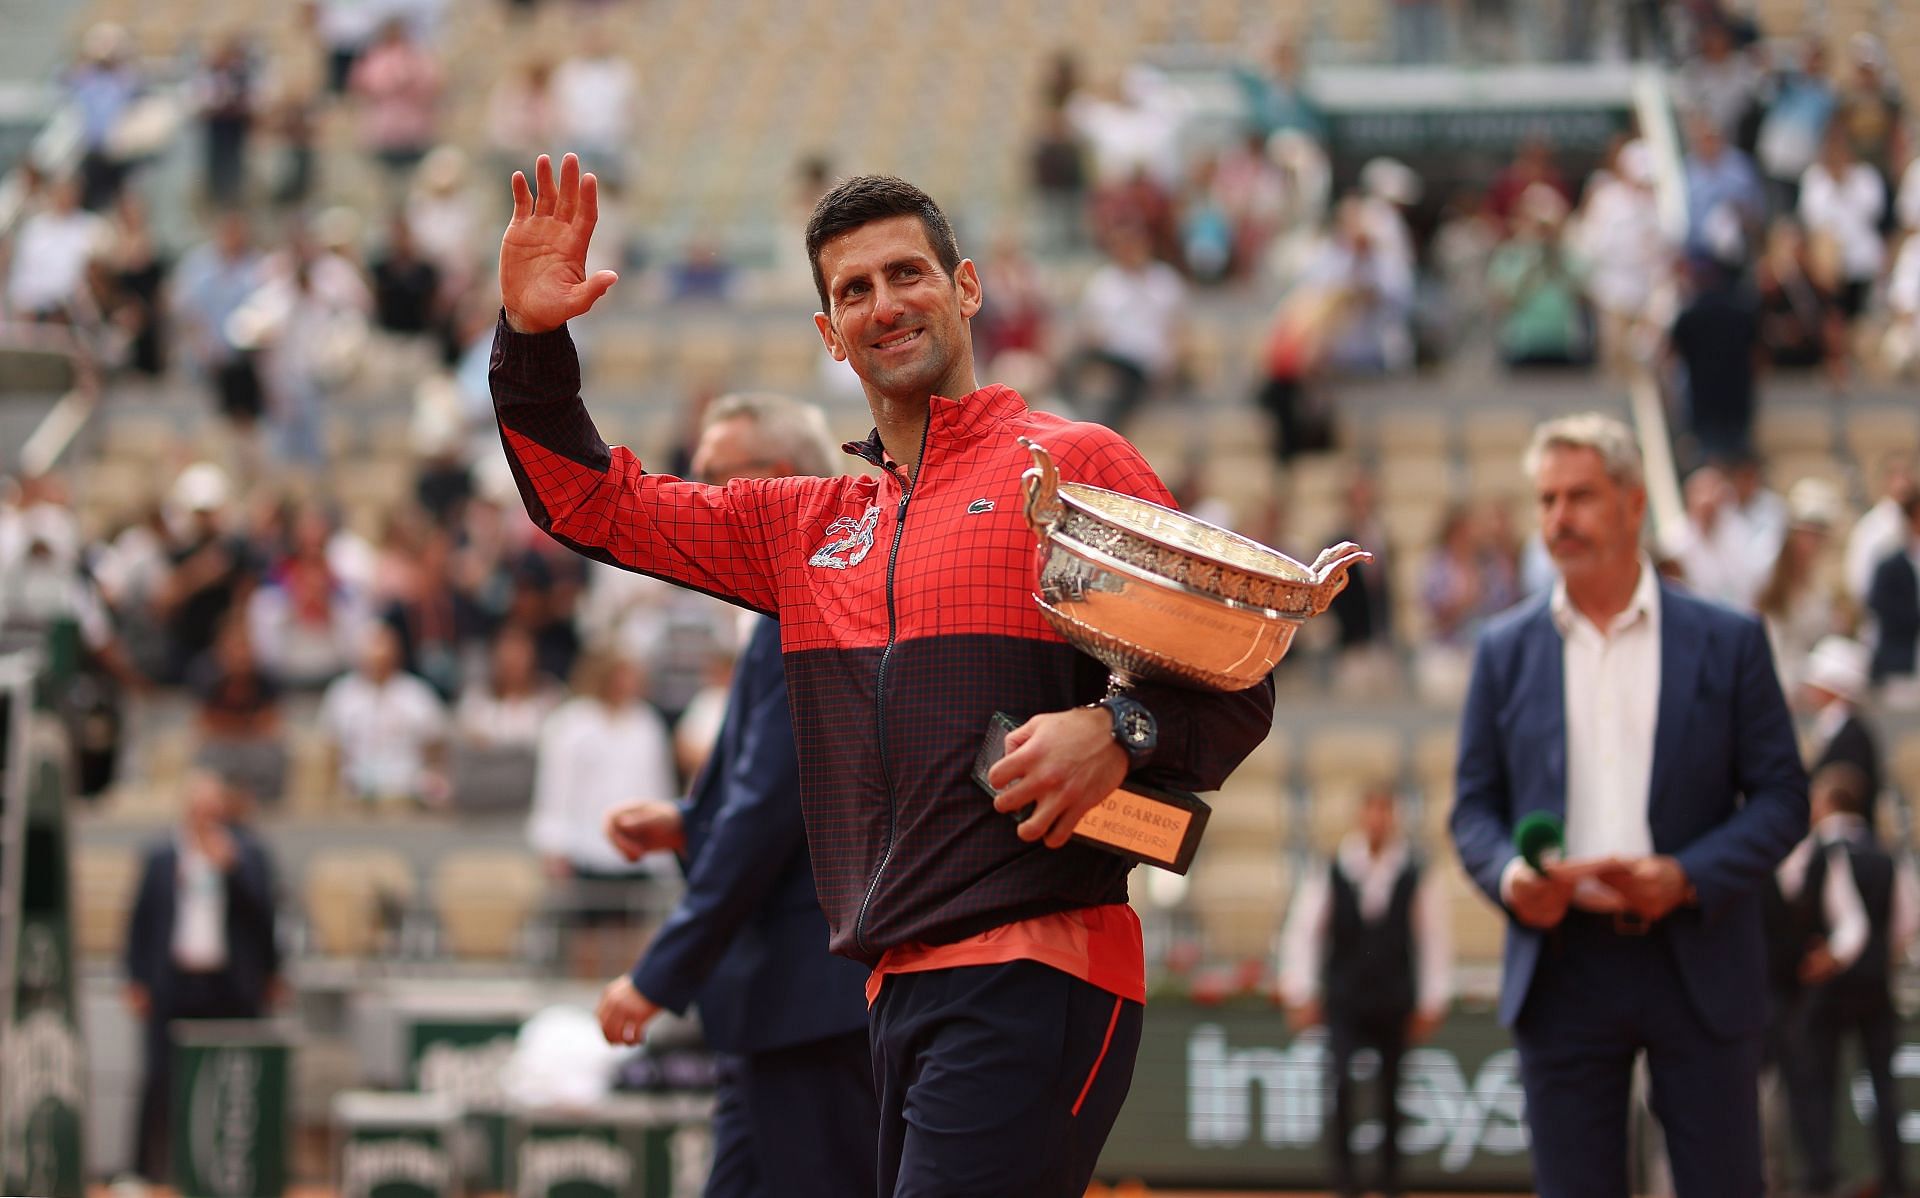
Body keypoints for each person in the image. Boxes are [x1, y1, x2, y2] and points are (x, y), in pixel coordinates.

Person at [491, 155, 1276, 1195]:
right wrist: (534, 341)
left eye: (907, 274)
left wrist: (1117, 728)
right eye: (852, 290)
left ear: (966, 288)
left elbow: (1238, 673)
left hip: (1040, 965)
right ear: (827, 333)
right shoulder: (807, 526)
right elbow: (591, 505)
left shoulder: (1071, 465)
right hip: (890, 989)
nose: (884, 303)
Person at [1450, 413, 1807, 1196]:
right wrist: (1514, 879)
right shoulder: (1504, 650)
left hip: (1698, 952)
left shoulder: (1730, 639)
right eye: (1546, 500)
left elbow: (1784, 798)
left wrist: (1685, 874)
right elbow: (1472, 809)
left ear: (1634, 502)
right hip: (1562, 964)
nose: (1558, 519)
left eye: (1580, 496)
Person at [594, 392, 878, 1198]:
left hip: (808, 1002)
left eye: (716, 476)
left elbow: (771, 811)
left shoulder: (815, 608)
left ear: (780, 480)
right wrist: (688, 823)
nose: (695, 494)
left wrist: (659, 974)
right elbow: (781, 797)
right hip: (777, 1007)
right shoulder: (782, 610)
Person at [1279, 787, 1451, 1198]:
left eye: (1384, 812)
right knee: (1340, 1085)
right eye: (1371, 811)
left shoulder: (1413, 872)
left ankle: (1391, 1182)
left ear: (1392, 817)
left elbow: (1434, 939)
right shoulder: (1333, 869)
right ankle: (1344, 1180)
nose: (1377, 820)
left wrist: (1432, 999)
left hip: (1395, 999)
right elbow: (1304, 932)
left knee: (1393, 1091)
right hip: (1345, 999)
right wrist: (1299, 990)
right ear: (1360, 816)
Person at [124, 772, 281, 1182]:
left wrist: (230, 869)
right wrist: (136, 978)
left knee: (238, 1074)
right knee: (159, 1078)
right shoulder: (161, 855)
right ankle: (144, 1171)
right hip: (174, 979)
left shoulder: (247, 853)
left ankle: (243, 1170)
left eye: (214, 808)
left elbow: (264, 918)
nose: (206, 816)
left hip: (231, 982)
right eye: (199, 808)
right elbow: (140, 921)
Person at [1781, 762, 1918, 1198]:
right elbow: (1907, 918)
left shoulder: (1816, 851)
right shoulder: (1887, 856)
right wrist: (1883, 958)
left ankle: (1821, 1173)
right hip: (1876, 985)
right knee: (1883, 1083)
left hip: (1825, 987)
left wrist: (1830, 957)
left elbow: (1798, 895)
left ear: (1825, 803)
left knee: (1818, 1082)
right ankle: (1892, 1174)